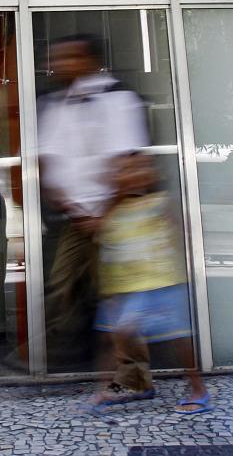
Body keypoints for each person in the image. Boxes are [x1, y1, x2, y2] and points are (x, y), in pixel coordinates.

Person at [38, 34, 153, 394]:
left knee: (117, 295)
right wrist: (72, 207)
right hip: (77, 217)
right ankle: (68, 354)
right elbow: (49, 162)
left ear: (88, 60)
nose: (59, 65)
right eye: (57, 58)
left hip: (116, 215)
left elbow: (129, 164)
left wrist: (104, 216)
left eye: (67, 57)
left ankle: (134, 376)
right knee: (62, 283)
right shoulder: (58, 105)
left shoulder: (118, 99)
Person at [90, 152, 209, 413]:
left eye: (140, 168)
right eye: (125, 170)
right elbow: (108, 252)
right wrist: (110, 292)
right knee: (115, 337)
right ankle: (111, 388)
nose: (133, 175)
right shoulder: (113, 213)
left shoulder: (159, 203)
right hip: (130, 288)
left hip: (164, 283)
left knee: (178, 338)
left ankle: (198, 387)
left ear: (151, 174)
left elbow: (180, 232)